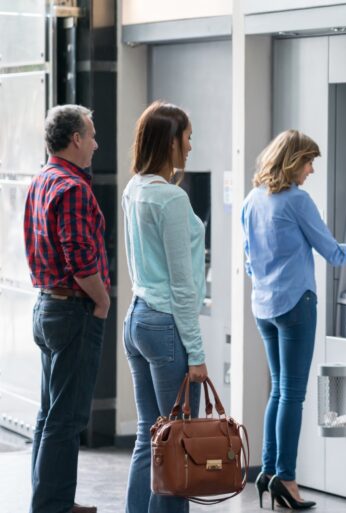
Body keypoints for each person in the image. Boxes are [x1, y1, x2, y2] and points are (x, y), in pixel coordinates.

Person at [241, 129, 346, 510]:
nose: (312, 170)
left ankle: (267, 472)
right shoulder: (296, 201)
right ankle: (286, 477)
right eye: (308, 162)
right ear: (292, 161)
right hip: (295, 306)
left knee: (278, 390)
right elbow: (334, 253)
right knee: (293, 394)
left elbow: (248, 260)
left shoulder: (252, 200)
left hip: (264, 307)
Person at [121, 101, 208, 513]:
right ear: (170, 141)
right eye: (187, 137)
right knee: (176, 442)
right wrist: (197, 353)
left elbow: (136, 262)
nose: (191, 146)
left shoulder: (133, 189)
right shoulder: (171, 199)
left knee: (148, 435)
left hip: (137, 318)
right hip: (164, 323)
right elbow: (183, 285)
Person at [24, 104, 110, 513]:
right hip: (73, 309)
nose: (95, 144)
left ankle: (50, 498)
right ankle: (53, 505)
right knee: (67, 417)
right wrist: (103, 298)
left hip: (46, 306)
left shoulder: (43, 179)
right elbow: (79, 257)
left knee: (50, 413)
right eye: (91, 135)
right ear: (75, 139)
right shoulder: (73, 187)